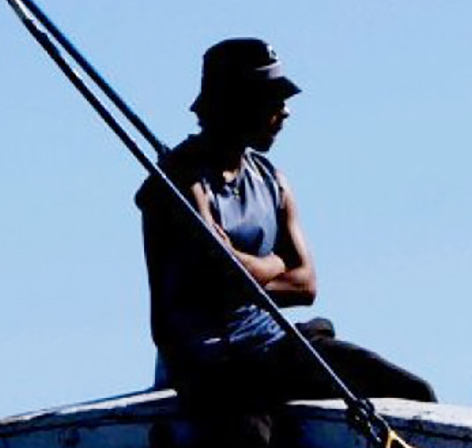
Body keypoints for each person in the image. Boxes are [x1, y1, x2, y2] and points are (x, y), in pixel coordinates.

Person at [137, 38, 435, 420]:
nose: (286, 112)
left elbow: (305, 285)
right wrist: (276, 263)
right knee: (252, 446)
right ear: (237, 103)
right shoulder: (180, 180)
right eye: (272, 99)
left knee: (411, 392)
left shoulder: (272, 180)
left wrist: (254, 268)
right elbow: (223, 271)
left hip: (273, 346)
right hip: (210, 363)